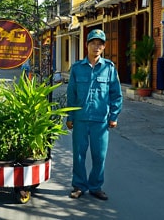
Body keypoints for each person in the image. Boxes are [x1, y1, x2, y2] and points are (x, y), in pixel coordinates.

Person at [66, 29, 123, 201]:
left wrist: (114, 116)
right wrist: (70, 117)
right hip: (81, 119)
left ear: (104, 47)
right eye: (93, 43)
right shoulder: (77, 68)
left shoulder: (109, 68)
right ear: (87, 45)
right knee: (79, 155)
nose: (96, 46)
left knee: (99, 156)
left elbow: (116, 94)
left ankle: (95, 186)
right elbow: (71, 94)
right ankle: (79, 186)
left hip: (101, 121)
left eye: (100, 44)